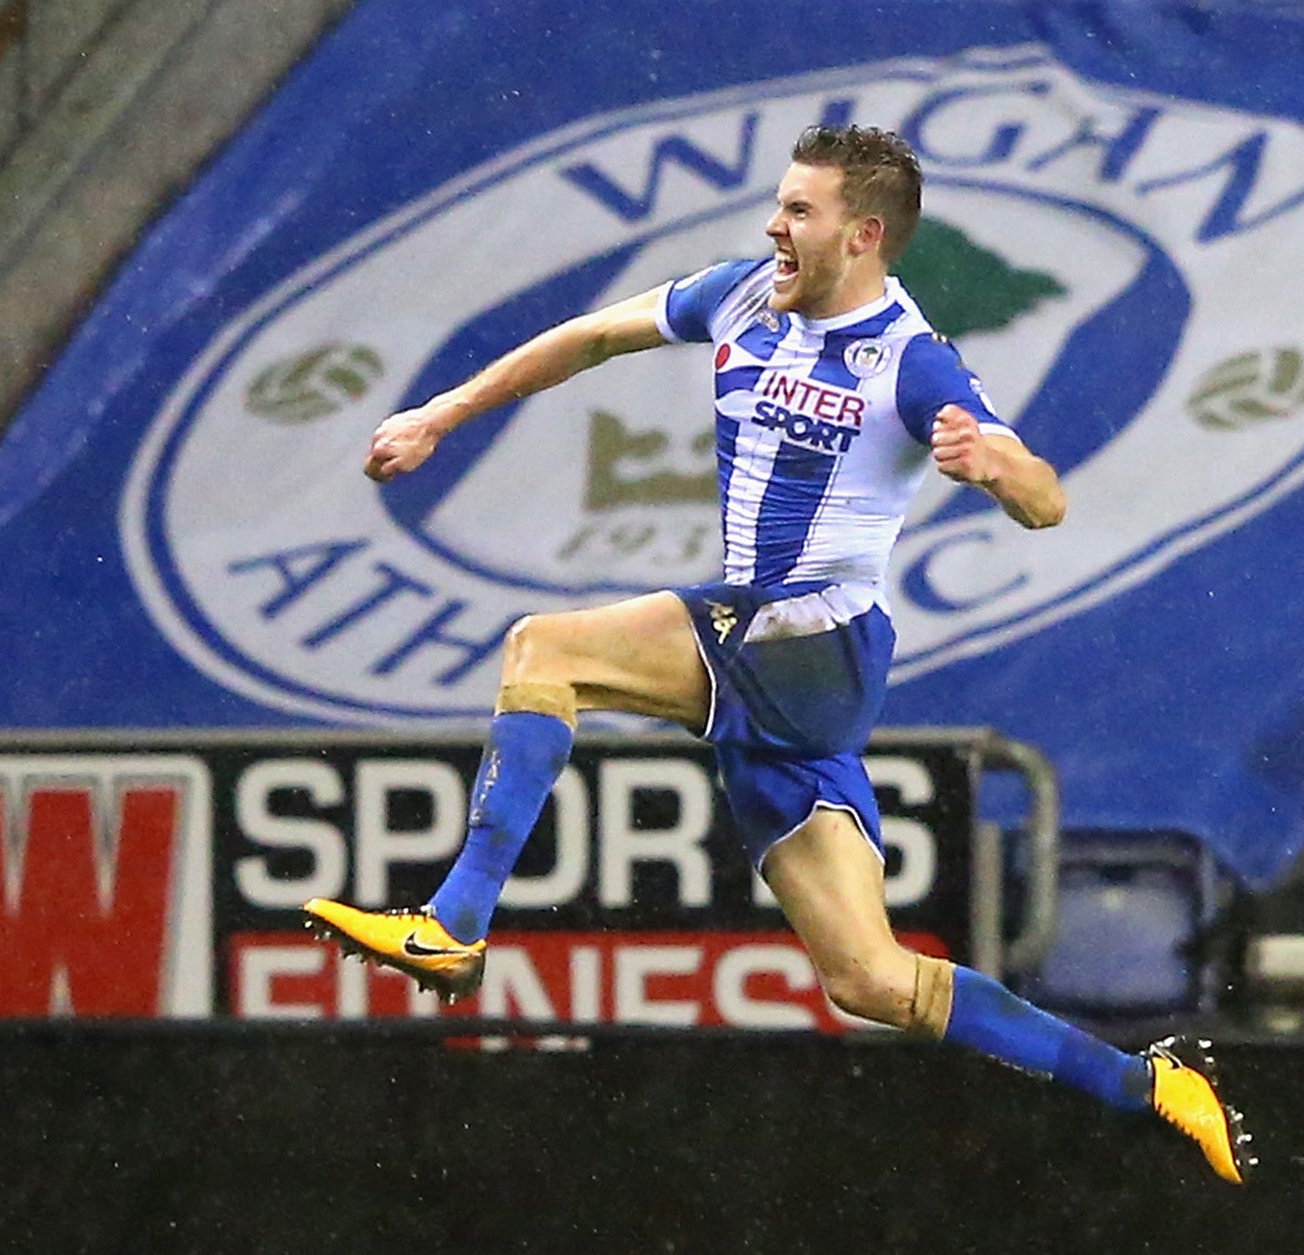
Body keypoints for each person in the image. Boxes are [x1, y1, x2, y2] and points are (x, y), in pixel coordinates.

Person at [305, 125, 1250, 1184]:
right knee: (872, 981)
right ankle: (1149, 1084)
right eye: (779, 203)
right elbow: (593, 337)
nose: (774, 224)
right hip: (779, 666)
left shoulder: (910, 359)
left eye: (799, 211)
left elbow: (1046, 498)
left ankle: (454, 922)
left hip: (813, 644)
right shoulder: (744, 293)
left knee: (545, 648)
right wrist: (443, 412)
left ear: (864, 234)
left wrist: (1000, 465)